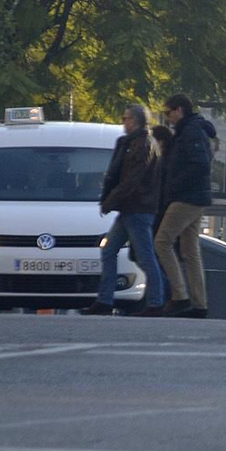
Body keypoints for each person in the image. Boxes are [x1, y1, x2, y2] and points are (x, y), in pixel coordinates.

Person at [84, 104, 167, 316]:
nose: (124, 122)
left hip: (138, 208)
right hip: (130, 208)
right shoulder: (130, 142)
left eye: (127, 118)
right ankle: (105, 300)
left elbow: (132, 179)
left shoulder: (143, 144)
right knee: (109, 250)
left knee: (146, 257)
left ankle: (156, 302)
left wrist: (111, 200)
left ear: (137, 121)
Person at [153, 93, 216, 318]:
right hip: (195, 197)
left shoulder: (190, 131)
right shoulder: (190, 130)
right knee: (190, 251)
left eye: (168, 112)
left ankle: (180, 296)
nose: (167, 117)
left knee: (162, 242)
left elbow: (200, 164)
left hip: (187, 197)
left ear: (179, 110)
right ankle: (199, 304)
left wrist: (175, 185)